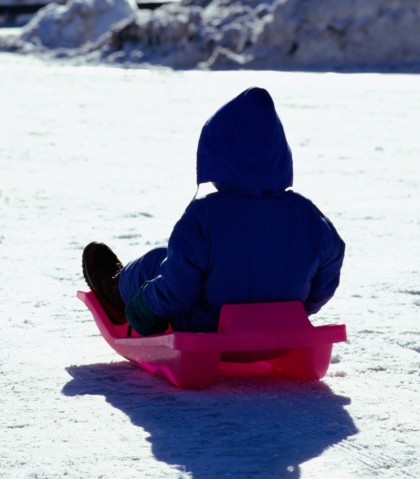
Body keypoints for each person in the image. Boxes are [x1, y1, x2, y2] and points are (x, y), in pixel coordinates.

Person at [81, 87, 345, 336]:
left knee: (156, 262)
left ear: (218, 157)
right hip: (280, 329)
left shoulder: (204, 216)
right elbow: (333, 257)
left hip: (210, 330)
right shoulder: (309, 215)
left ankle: (118, 293)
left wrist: (145, 311)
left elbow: (178, 290)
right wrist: (297, 310)